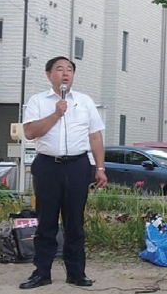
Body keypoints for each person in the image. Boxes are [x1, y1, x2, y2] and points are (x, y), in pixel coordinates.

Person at [19, 56, 107, 289]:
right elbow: (29, 132)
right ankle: (42, 272)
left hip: (78, 165)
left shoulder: (85, 101)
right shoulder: (37, 101)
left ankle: (76, 273)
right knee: (46, 221)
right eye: (59, 69)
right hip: (47, 166)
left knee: (75, 223)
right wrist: (56, 114)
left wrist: (100, 168)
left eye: (69, 69)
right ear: (49, 75)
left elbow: (95, 136)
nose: (65, 73)